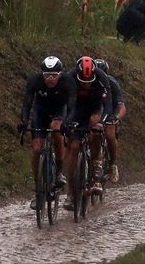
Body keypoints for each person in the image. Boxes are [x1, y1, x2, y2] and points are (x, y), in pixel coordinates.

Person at [18, 56, 71, 210]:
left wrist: (68, 122)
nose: (50, 78)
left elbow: (72, 105)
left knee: (56, 130)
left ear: (60, 74)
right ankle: (38, 191)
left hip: (59, 111)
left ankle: (59, 171)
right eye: (47, 75)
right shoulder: (35, 81)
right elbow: (27, 104)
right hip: (40, 113)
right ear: (42, 74)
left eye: (54, 75)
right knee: (36, 149)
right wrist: (24, 121)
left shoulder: (67, 82)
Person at [63, 56, 110, 208]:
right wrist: (67, 123)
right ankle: (71, 192)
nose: (86, 83)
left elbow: (108, 104)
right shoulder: (69, 78)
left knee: (95, 130)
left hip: (94, 107)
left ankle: (96, 168)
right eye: (83, 80)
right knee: (74, 147)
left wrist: (102, 123)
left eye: (89, 81)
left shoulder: (101, 77)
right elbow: (64, 105)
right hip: (76, 109)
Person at [94, 59, 126, 183]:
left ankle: (112, 164)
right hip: (95, 111)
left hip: (110, 112)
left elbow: (121, 106)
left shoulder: (112, 83)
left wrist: (117, 117)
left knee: (109, 135)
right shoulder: (88, 83)